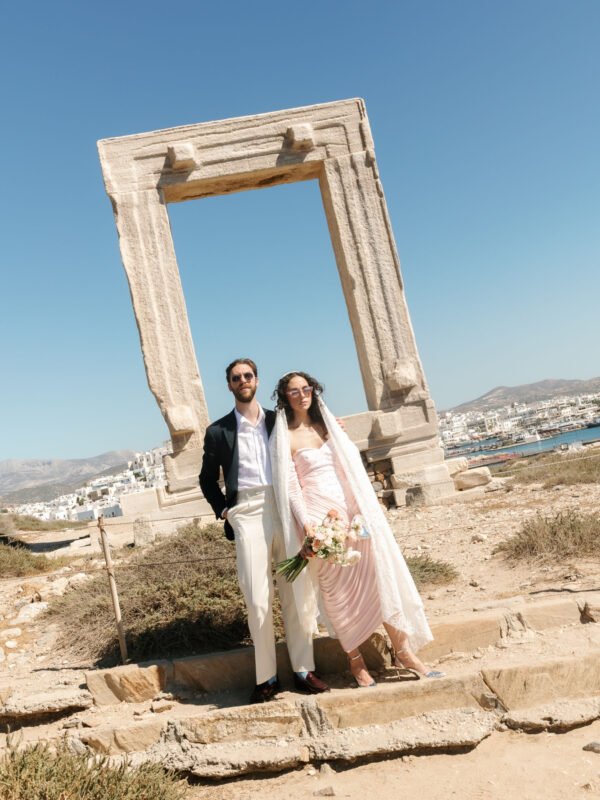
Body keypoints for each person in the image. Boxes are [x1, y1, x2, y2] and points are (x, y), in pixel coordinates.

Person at [270, 371, 443, 687]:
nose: (301, 394)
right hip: (319, 517)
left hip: (350, 512)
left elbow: (351, 469)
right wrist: (308, 525)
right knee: (336, 590)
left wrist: (368, 504)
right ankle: (356, 661)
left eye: (306, 388)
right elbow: (291, 486)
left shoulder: (329, 426)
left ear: (314, 390)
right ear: (285, 397)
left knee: (378, 578)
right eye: (294, 391)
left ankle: (404, 651)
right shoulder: (286, 437)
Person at [199, 358, 330, 704]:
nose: (243, 380)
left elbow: (308, 431)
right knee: (257, 596)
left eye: (248, 375)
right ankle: (266, 677)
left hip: (283, 505)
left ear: (257, 380)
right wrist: (225, 510)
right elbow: (206, 478)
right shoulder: (218, 431)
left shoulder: (278, 421)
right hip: (247, 510)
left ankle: (304, 669)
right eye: (236, 377)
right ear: (229, 385)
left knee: (296, 589)